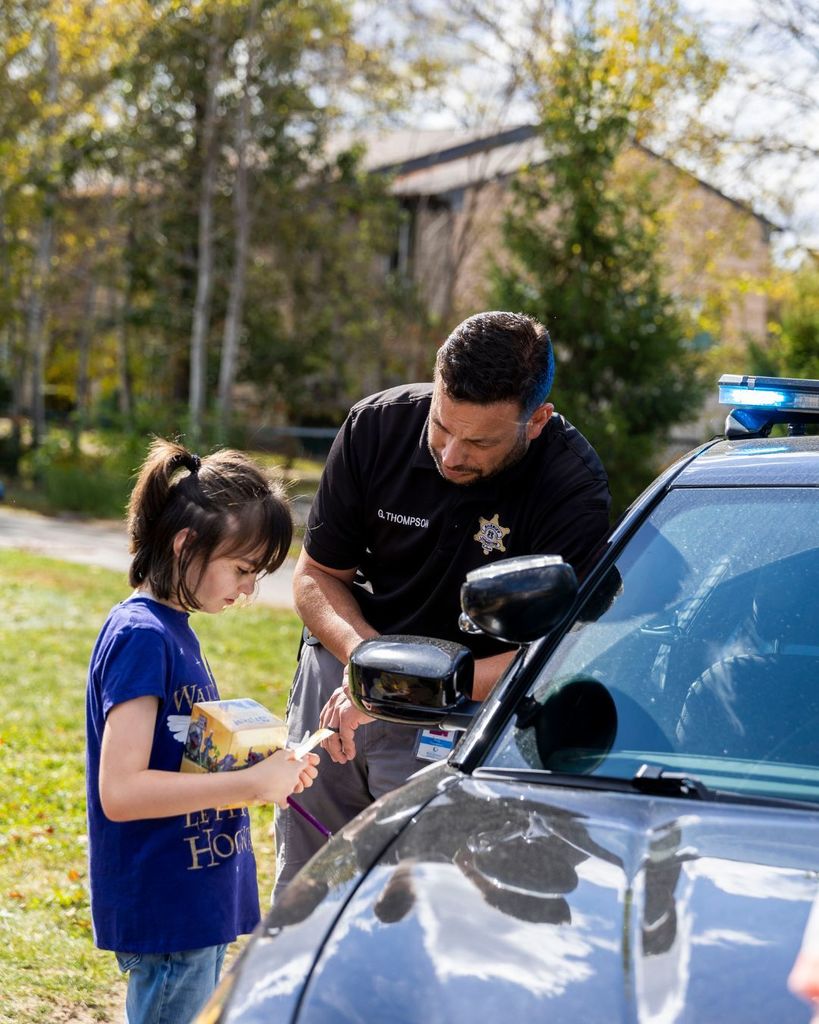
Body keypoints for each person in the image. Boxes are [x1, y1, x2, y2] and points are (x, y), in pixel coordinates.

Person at [275, 310, 610, 891]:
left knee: (425, 898)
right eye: (441, 426)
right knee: (310, 887)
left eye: (480, 441)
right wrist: (369, 670)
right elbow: (316, 576)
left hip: (464, 706)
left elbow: (557, 649)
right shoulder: (375, 427)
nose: (451, 454)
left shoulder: (571, 485)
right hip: (341, 671)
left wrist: (401, 694)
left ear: (537, 422)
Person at [85, 439, 319, 1024]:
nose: (248, 590)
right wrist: (249, 787)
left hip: (195, 903)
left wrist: (267, 765)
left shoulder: (174, 629)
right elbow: (122, 791)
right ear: (186, 543)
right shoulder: (142, 635)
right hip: (168, 912)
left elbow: (183, 756)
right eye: (242, 570)